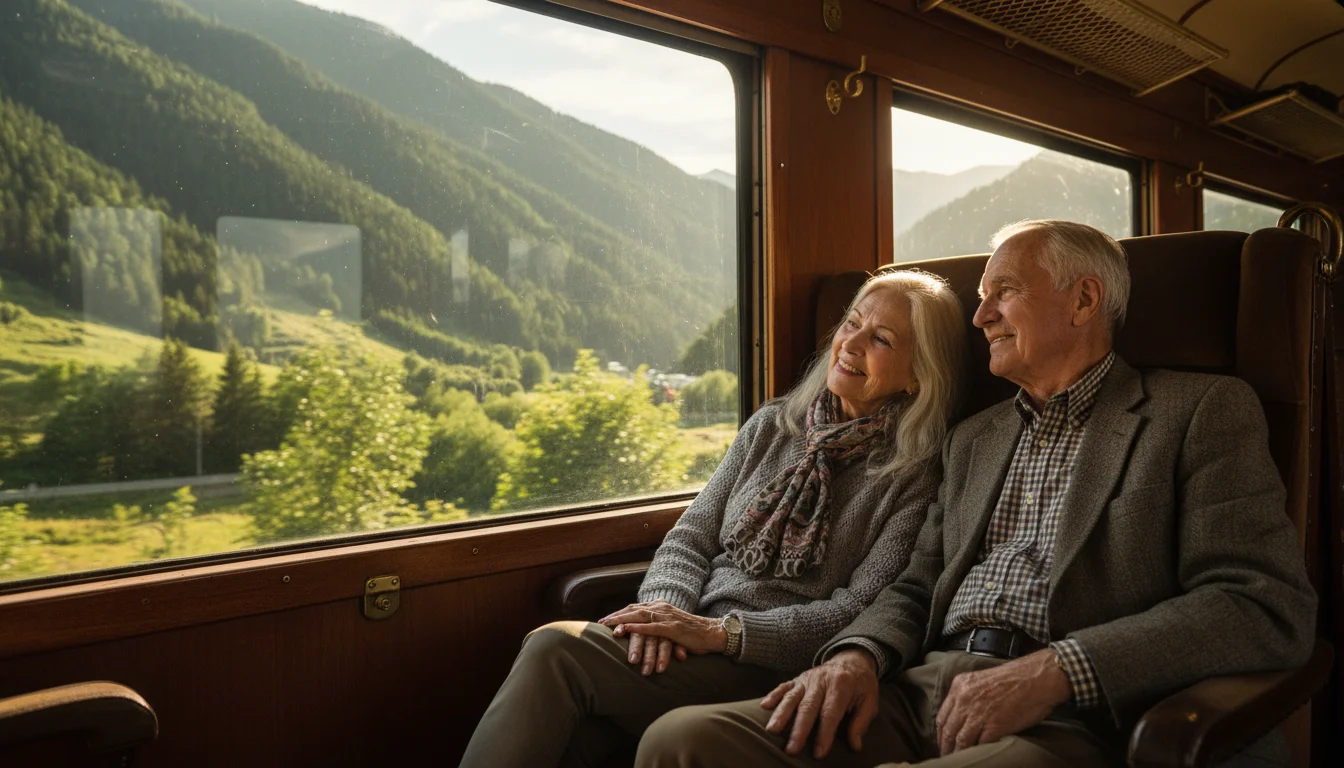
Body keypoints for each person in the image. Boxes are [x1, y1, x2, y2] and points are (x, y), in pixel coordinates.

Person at [634, 220, 1317, 768]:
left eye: (1004, 292)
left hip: (1076, 716)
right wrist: (857, 656)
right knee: (684, 743)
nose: (980, 313)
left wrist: (1058, 671)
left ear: (1084, 300)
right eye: (982, 296)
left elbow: (1260, 605)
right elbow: (914, 585)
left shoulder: (1199, 410)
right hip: (925, 688)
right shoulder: (975, 438)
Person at [460, 270, 967, 768]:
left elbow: (859, 612)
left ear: (920, 372)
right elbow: (690, 538)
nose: (850, 344)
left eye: (880, 338)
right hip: (690, 641)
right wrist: (663, 614)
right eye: (850, 323)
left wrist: (722, 634)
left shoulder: (918, 474)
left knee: (555, 648)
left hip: (771, 665)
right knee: (579, 735)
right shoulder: (772, 426)